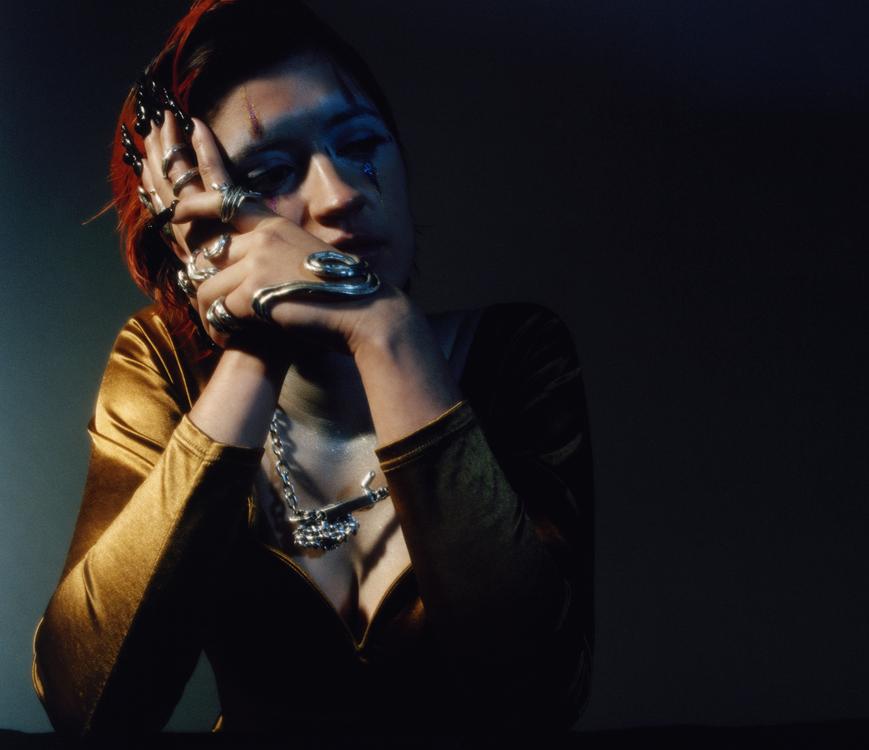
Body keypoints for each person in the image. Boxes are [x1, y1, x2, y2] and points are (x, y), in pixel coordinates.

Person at [31, 0, 593, 736]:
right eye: (269, 174)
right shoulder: (164, 367)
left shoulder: (516, 353)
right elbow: (88, 705)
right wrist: (252, 345)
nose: (341, 194)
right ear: (188, 226)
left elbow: (542, 697)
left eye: (361, 144)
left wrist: (385, 329)